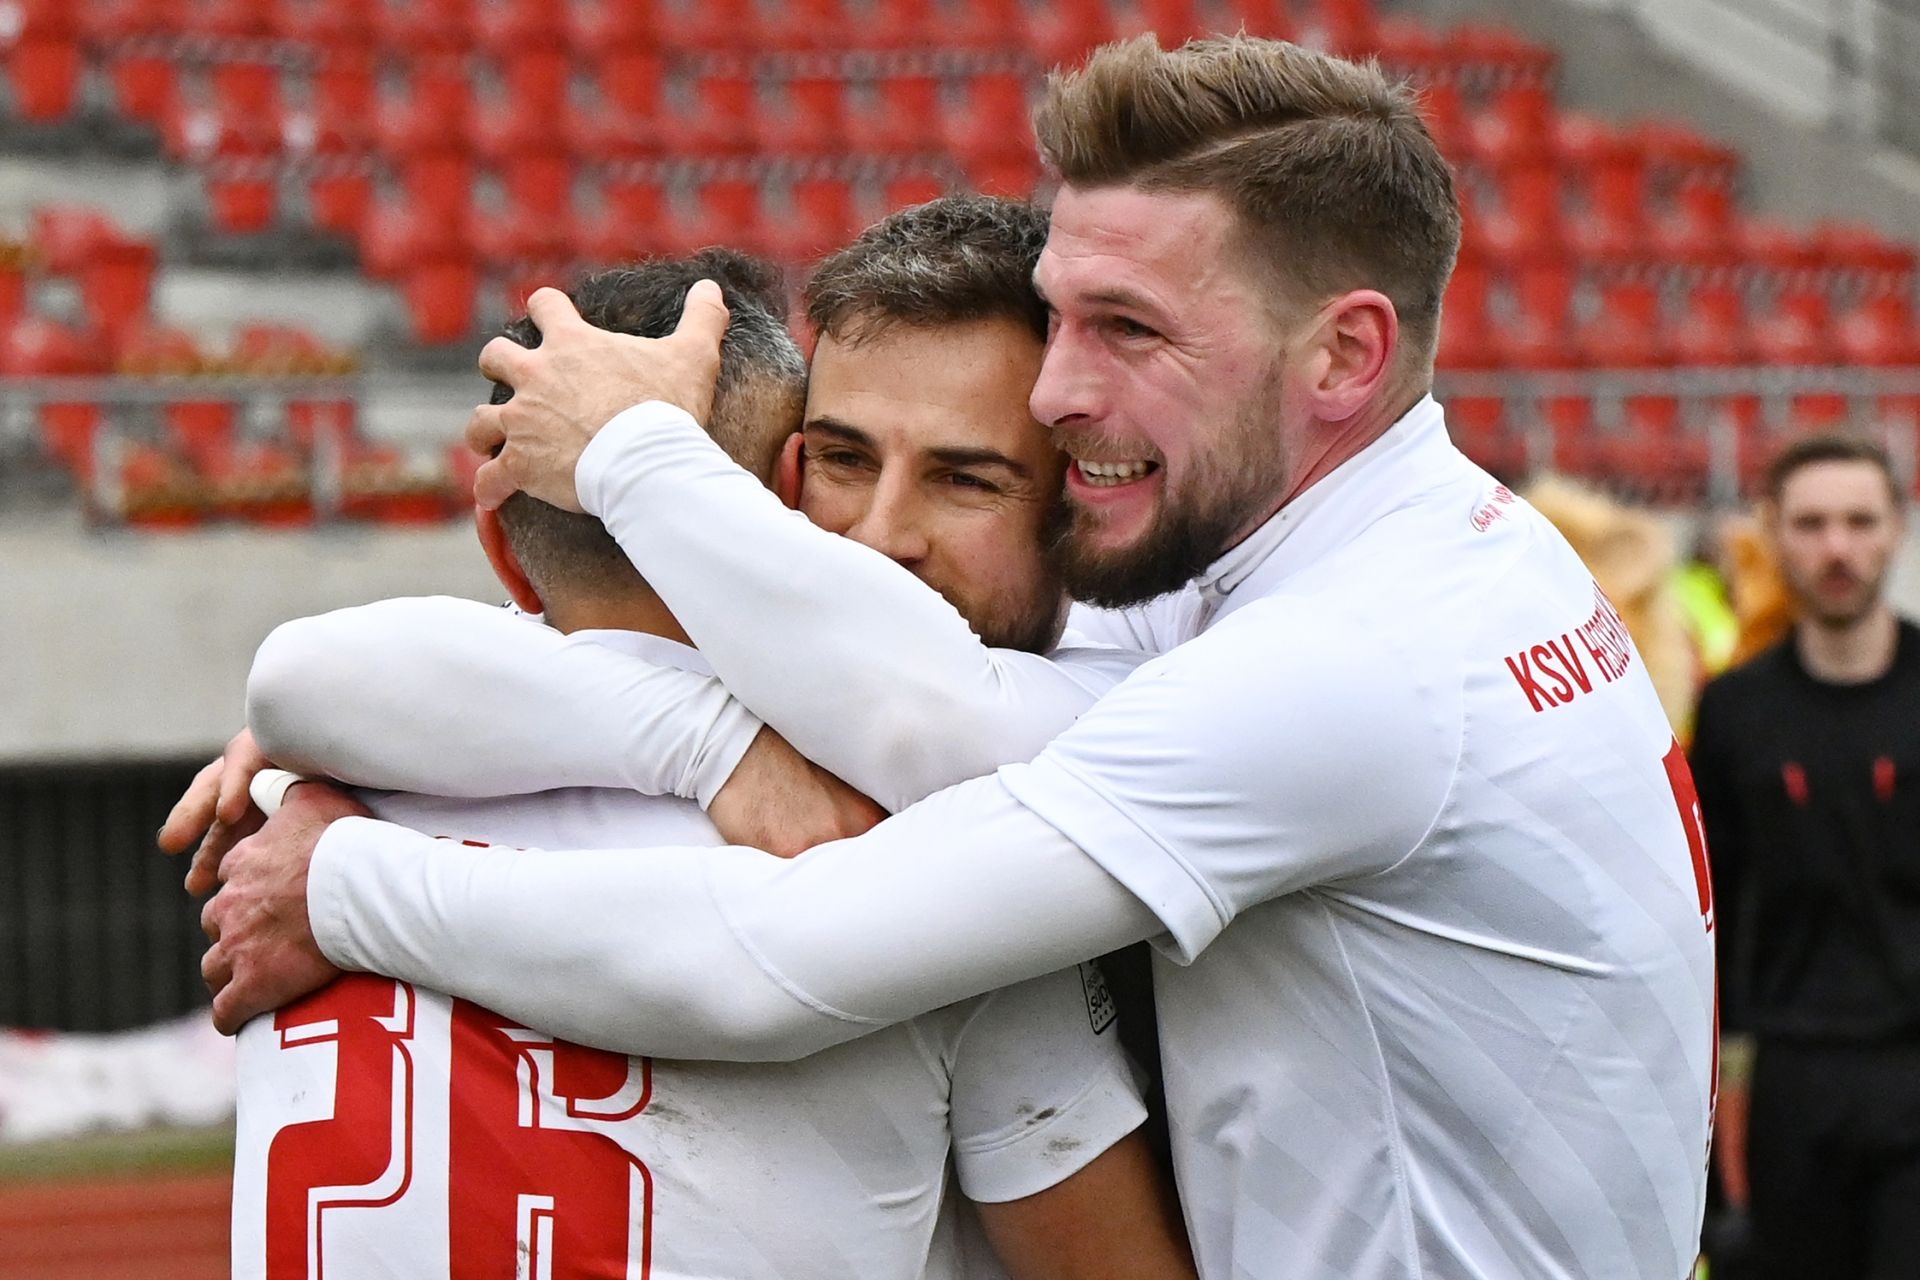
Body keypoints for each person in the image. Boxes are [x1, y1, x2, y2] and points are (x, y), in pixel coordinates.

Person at [197, 36, 1716, 1280]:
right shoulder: (1363, 551)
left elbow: (786, 948)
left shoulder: (1339, 664)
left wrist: (340, 878)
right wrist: (588, 729)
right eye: (1060, 319)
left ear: (1344, 356)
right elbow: (958, 699)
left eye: (1128, 329)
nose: (1064, 392)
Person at [224, 250, 1192, 1280]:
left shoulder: (298, 810)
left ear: (503, 551)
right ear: (777, 509)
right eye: (846, 463)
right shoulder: (943, 862)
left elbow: (297, 679)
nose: (877, 536)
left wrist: (330, 862)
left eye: (965, 479)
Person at [1689, 434, 1919, 1280]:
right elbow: (1709, 910)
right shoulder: (1738, 712)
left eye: (1860, 522)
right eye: (1812, 523)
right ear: (1772, 534)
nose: (1838, 549)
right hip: (1793, 1083)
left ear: (1896, 528)